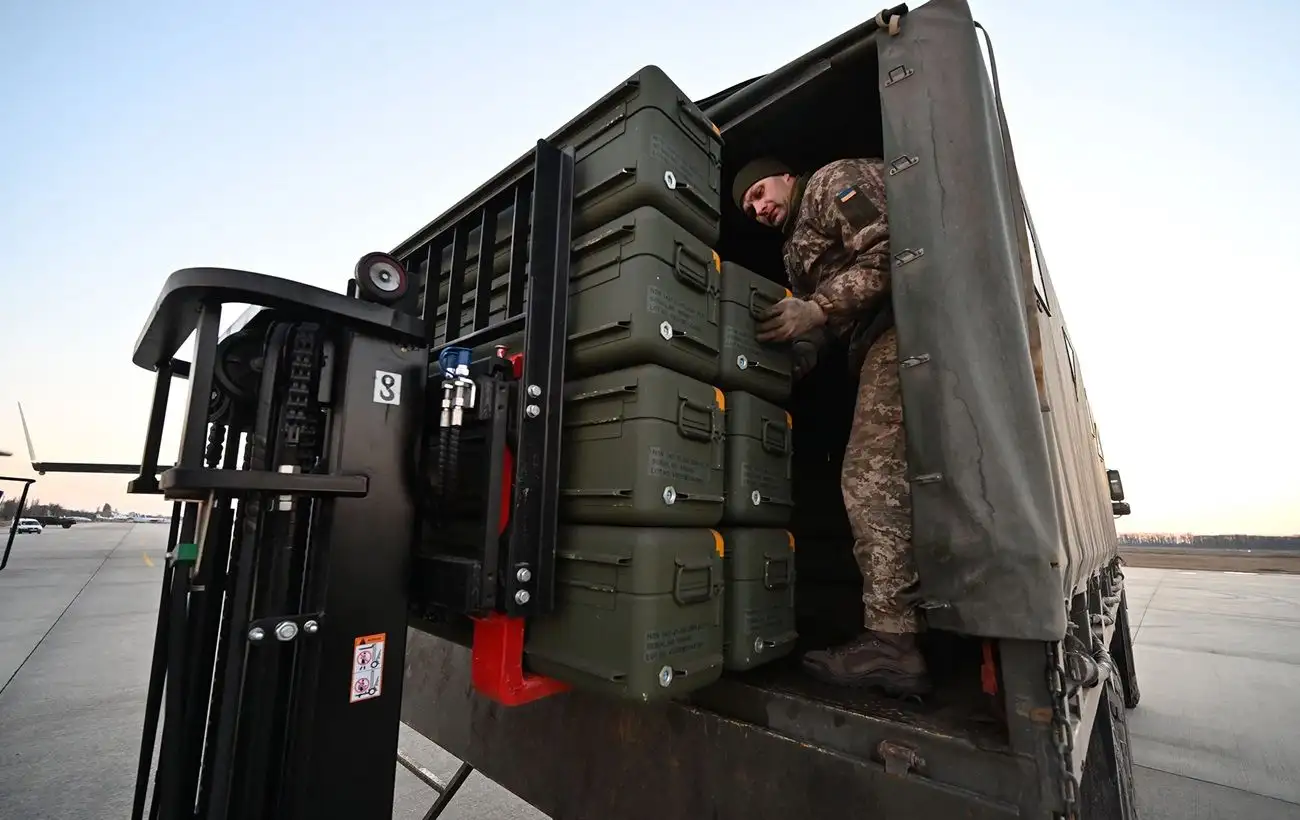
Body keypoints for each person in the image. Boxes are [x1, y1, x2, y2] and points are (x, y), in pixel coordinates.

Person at [732, 155, 930, 698]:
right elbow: (820, 328)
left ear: (786, 177)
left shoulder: (829, 183)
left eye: (760, 192)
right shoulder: (793, 252)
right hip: (869, 344)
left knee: (868, 479)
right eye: (750, 207)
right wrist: (794, 357)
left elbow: (893, 251)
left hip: (906, 326)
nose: (759, 207)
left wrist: (815, 308)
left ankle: (893, 643)